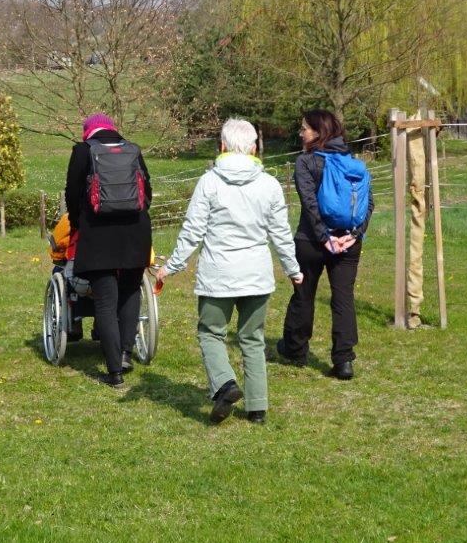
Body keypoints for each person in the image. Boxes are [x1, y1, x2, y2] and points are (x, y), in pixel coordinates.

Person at [158, 119, 303, 425]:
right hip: (256, 275)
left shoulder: (209, 182)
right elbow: (280, 233)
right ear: (253, 148)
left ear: (222, 146)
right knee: (252, 337)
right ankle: (257, 408)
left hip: (218, 276)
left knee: (210, 333)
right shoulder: (270, 184)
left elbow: (193, 230)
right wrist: (293, 270)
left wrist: (171, 266)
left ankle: (225, 384)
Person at [276, 109, 374, 380]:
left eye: (304, 128)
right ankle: (344, 360)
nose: (301, 133)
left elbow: (309, 204)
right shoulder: (353, 163)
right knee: (343, 298)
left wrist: (324, 237)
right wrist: (354, 234)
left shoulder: (306, 162)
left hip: (312, 241)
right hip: (348, 243)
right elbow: (369, 204)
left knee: (303, 293)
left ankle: (295, 349)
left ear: (318, 133)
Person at [64, 113, 152, 387]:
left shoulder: (83, 151)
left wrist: (80, 224)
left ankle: (114, 371)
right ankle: (125, 353)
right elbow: (147, 191)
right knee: (129, 293)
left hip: (98, 235)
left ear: (87, 131)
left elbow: (72, 193)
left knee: (104, 301)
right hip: (136, 234)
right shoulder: (133, 149)